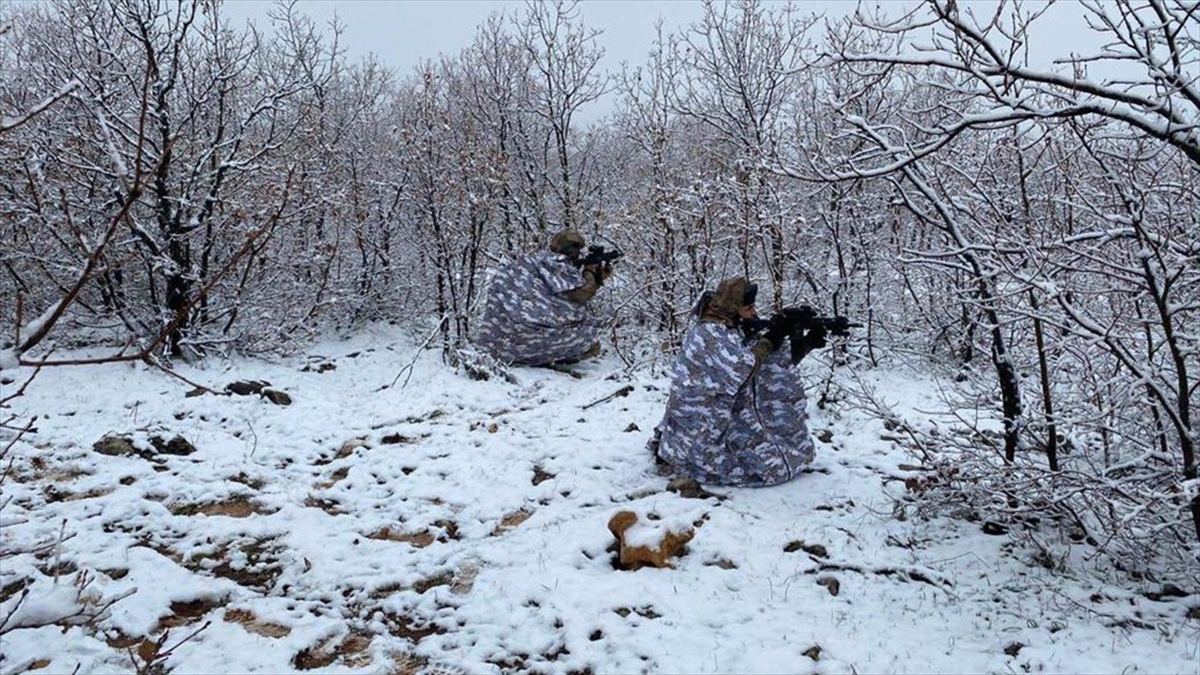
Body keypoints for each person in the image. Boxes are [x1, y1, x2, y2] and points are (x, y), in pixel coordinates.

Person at [648, 276, 826, 487]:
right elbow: (744, 368)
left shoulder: (732, 327)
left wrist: (805, 342)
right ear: (733, 309)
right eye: (749, 307)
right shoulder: (709, 334)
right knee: (772, 469)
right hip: (702, 426)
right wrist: (770, 338)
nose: (754, 312)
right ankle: (680, 460)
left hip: (724, 417)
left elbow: (771, 365)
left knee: (795, 451)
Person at [474, 230, 613, 367]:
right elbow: (581, 295)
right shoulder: (558, 264)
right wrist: (590, 272)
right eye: (576, 249)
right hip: (531, 336)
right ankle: (555, 359)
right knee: (591, 342)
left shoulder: (533, 260)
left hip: (498, 341)